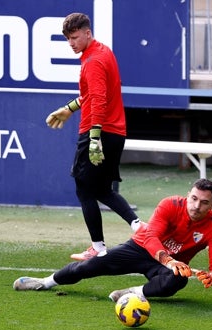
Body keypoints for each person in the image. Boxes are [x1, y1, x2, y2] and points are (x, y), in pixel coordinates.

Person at [13, 179, 212, 301]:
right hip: (140, 248)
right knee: (88, 267)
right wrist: (169, 260)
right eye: (194, 199)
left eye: (204, 202)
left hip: (167, 265)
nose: (196, 206)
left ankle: (131, 293)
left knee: (178, 280)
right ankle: (44, 282)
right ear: (188, 195)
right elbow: (150, 236)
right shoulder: (170, 204)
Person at [45, 12, 140, 262]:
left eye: (75, 37)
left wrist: (94, 138)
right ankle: (139, 226)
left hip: (98, 131)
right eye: (68, 39)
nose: (71, 43)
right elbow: (94, 94)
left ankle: (97, 248)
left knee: (83, 186)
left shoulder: (93, 61)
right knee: (101, 189)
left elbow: (98, 100)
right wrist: (69, 109)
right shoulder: (102, 52)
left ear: (88, 33)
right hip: (114, 131)